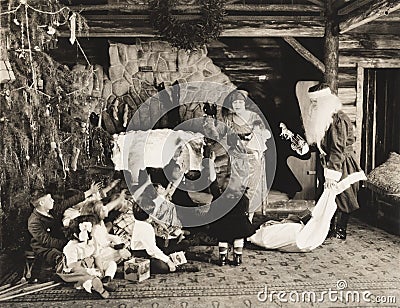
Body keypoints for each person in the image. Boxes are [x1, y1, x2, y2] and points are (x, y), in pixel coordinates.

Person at [304, 82, 365, 240]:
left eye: (315, 103)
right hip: (331, 161)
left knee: (343, 196)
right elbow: (324, 145)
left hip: (341, 162)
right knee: (328, 195)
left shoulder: (338, 119)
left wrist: (331, 175)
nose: (313, 106)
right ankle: (329, 229)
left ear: (324, 102)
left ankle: (340, 231)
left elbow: (337, 148)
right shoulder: (326, 119)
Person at [221, 89, 271, 222]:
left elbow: (264, 133)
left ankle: (249, 216)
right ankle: (237, 216)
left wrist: (256, 134)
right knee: (236, 187)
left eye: (240, 102)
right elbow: (227, 137)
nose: (237, 105)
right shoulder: (229, 118)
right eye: (235, 103)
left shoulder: (254, 116)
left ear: (244, 104)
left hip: (253, 157)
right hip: (237, 158)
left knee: (252, 186)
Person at [28, 182, 101, 268]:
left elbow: (69, 202)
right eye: (50, 199)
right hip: (45, 249)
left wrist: (90, 191)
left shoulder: (52, 210)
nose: (53, 200)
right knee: (64, 259)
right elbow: (47, 241)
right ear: (42, 203)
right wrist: (68, 243)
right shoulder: (34, 222)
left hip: (61, 242)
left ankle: (86, 268)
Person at [57, 215, 112, 299]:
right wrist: (89, 271)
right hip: (77, 269)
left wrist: (100, 269)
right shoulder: (71, 247)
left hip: (90, 264)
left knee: (111, 264)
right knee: (84, 277)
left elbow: (96, 256)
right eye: (93, 229)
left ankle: (106, 279)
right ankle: (92, 286)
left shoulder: (92, 240)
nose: (94, 230)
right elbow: (73, 267)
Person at [208, 176, 256, 266]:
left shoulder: (219, 196)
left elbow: (213, 185)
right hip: (239, 224)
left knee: (222, 238)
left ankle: (223, 257)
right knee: (239, 238)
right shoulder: (243, 199)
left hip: (223, 224)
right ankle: (237, 257)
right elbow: (246, 212)